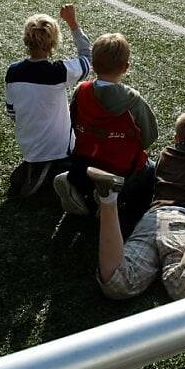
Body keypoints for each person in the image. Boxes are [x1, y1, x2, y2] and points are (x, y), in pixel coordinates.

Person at [95, 112, 185, 301]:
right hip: (182, 220)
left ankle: (109, 200)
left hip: (151, 219)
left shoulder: (165, 155)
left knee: (118, 282)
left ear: (175, 138)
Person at [53, 33, 158, 227]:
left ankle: (76, 182)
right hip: (121, 168)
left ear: (93, 64)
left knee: (84, 165)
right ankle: (112, 198)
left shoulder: (81, 90)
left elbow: (73, 122)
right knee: (150, 170)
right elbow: (150, 136)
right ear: (126, 67)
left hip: (87, 160)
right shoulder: (133, 101)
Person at [5, 4, 91, 197]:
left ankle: (36, 168)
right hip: (60, 148)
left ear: (27, 40)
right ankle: (54, 172)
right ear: (53, 43)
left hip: (28, 145)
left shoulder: (12, 71)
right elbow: (87, 57)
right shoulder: (58, 71)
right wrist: (73, 23)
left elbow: (12, 113)